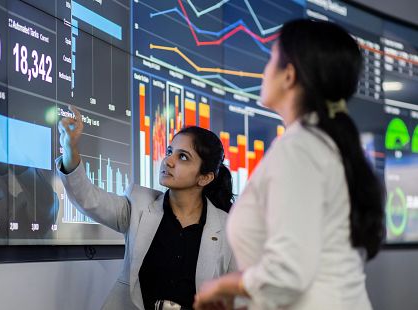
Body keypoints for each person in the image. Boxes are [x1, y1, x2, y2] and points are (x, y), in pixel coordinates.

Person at [194, 19, 385, 310]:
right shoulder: (324, 145)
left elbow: (288, 273)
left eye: (271, 58)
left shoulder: (300, 149)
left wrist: (222, 286)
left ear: (289, 75)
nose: (264, 69)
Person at [57, 106, 237, 310]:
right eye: (170, 151)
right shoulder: (138, 205)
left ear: (205, 177)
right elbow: (89, 199)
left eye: (183, 157)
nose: (168, 161)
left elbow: (236, 300)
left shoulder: (227, 229)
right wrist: (70, 148)